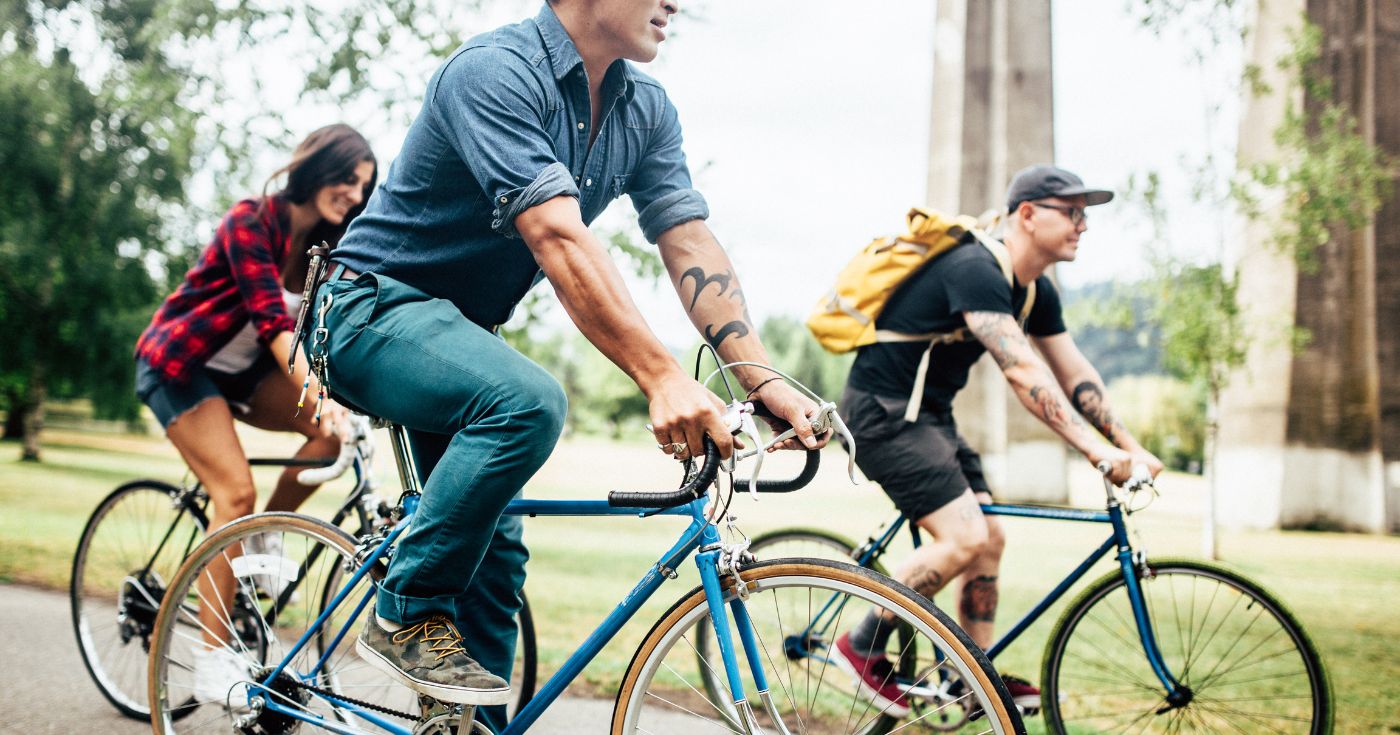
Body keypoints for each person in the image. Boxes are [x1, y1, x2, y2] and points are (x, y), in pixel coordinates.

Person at [313, 1, 827, 730]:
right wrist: (661, 376)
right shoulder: (494, 72)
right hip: (364, 311)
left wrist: (761, 376)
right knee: (528, 402)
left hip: (457, 335)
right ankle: (405, 610)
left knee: (495, 556)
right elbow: (556, 235)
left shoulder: (644, 109)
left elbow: (688, 240)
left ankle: (467, 721)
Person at [830, 164, 1166, 717]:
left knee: (990, 540)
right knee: (963, 538)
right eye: (1073, 212)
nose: (1084, 225)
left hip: (930, 418)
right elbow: (1024, 372)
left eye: (1087, 215)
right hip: (884, 416)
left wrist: (1127, 444)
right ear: (1028, 215)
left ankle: (971, 676)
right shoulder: (976, 268)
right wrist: (1096, 453)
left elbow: (1074, 371)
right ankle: (860, 643)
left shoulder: (1034, 293)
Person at [133, 123, 377, 702]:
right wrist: (320, 395)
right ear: (318, 167)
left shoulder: (326, 249)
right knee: (233, 494)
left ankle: (263, 536)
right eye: (348, 179)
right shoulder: (252, 219)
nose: (354, 195)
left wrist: (348, 402)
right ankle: (214, 660)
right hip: (180, 367)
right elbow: (272, 323)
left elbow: (321, 337)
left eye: (364, 188)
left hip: (244, 378)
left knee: (327, 436)